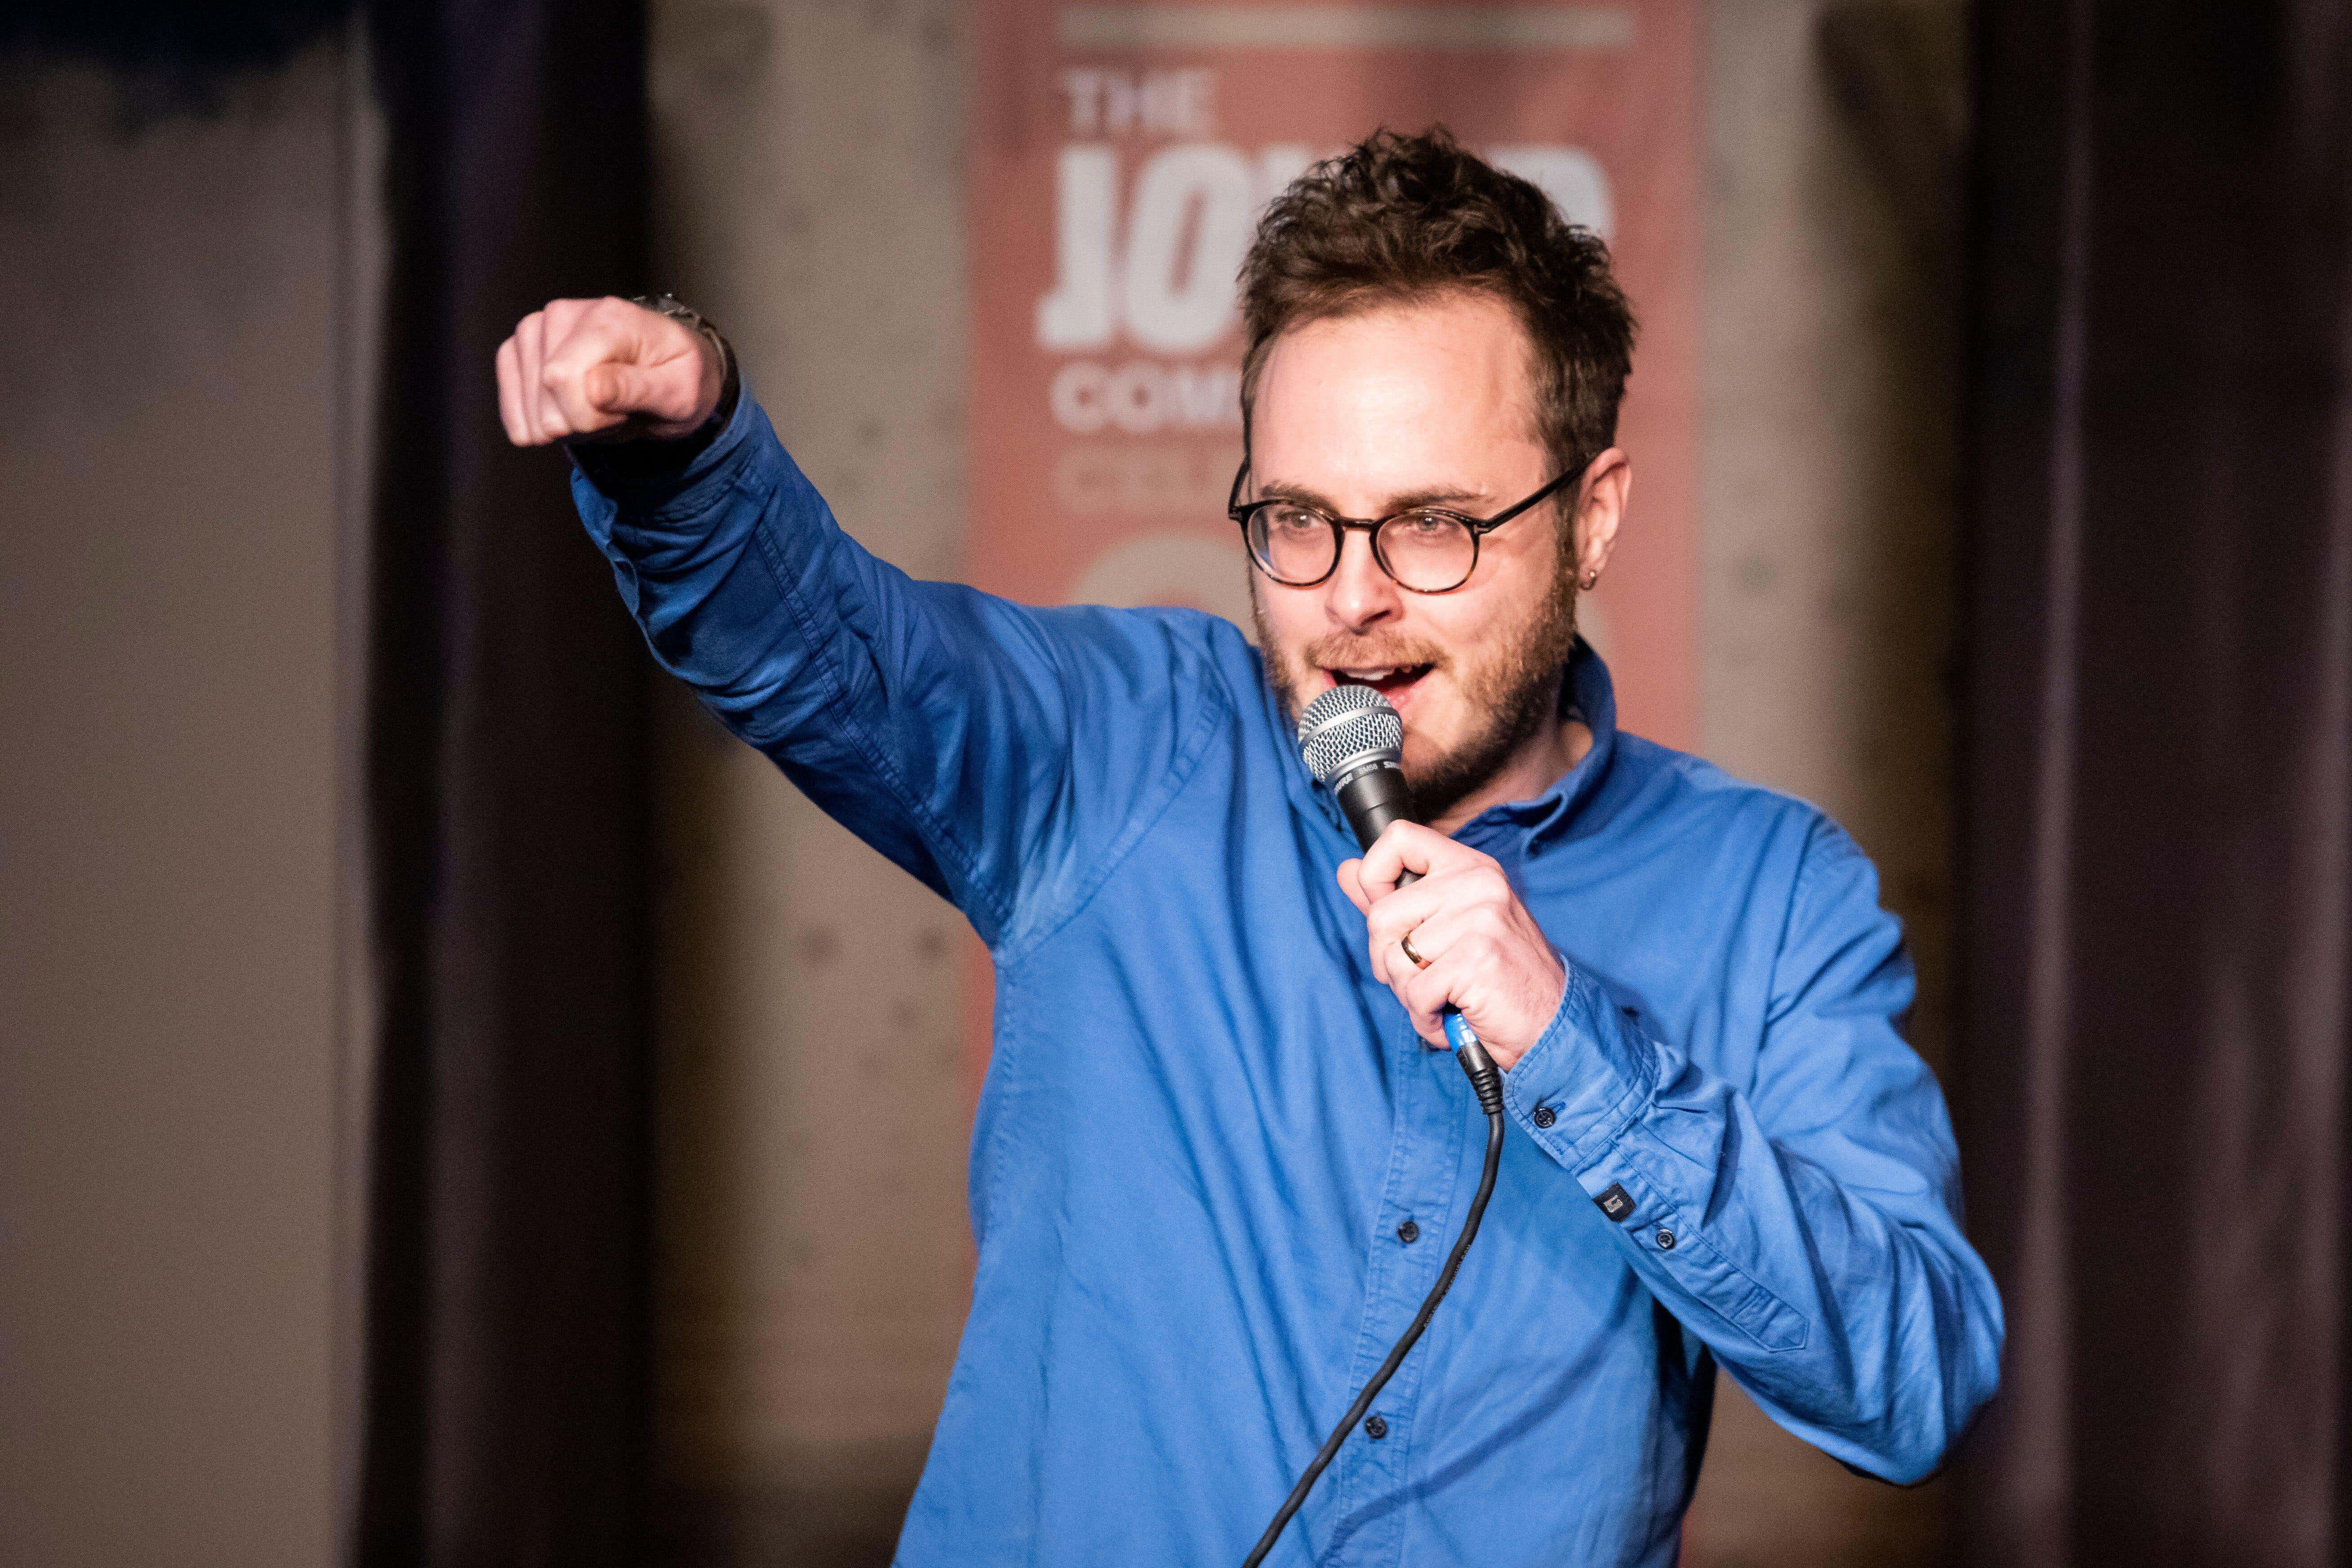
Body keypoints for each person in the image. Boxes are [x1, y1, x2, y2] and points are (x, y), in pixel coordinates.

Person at [497, 129, 2001, 1568]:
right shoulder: (1122, 749)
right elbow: (828, 650)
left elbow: (1915, 1377)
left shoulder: (1774, 894)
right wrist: (686, 450)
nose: (1349, 600)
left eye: (1430, 525)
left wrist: (1567, 1044)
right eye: (1297, 519)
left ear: (1593, 517)